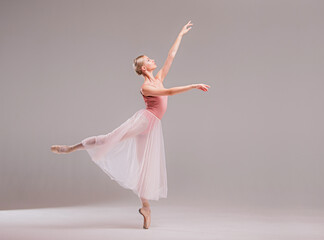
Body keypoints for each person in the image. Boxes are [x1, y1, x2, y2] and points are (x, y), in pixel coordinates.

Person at [50, 20, 210, 229]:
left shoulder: (159, 78)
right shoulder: (147, 87)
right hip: (144, 121)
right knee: (109, 139)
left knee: (144, 168)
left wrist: (180, 34)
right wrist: (193, 85)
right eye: (150, 60)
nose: (154, 60)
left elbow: (171, 56)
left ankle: (146, 208)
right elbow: (169, 93)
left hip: (152, 127)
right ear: (145, 68)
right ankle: (70, 148)